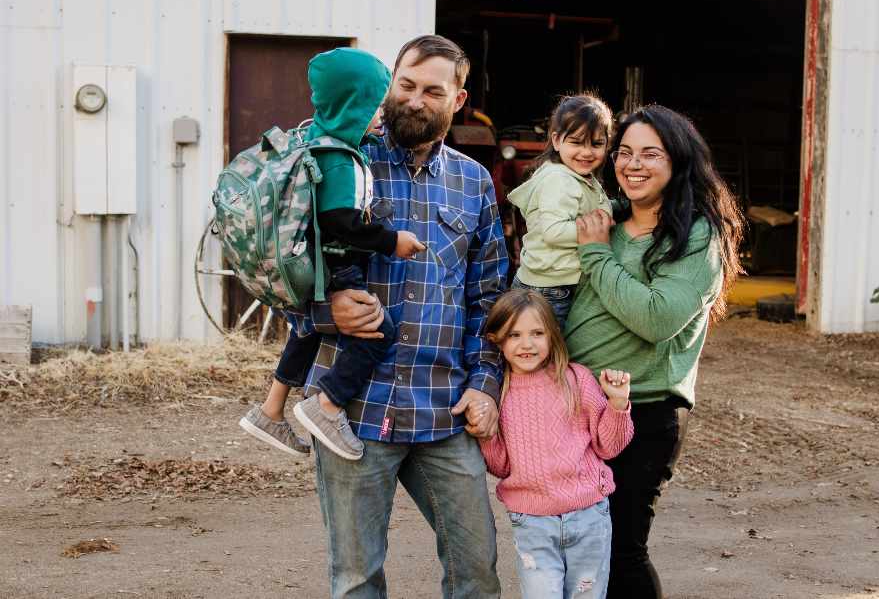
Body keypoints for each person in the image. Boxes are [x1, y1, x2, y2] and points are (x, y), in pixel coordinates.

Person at [289, 35, 509, 598]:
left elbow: (488, 300)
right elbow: (276, 264)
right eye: (405, 85)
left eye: (432, 91)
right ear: (391, 82)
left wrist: (485, 386)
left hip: (444, 409)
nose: (413, 100)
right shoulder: (341, 159)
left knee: (477, 572)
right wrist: (323, 308)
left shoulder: (474, 183)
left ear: (457, 100)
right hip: (355, 411)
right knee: (357, 579)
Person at [564, 105, 745, 599]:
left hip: (644, 410)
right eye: (624, 153)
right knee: (580, 548)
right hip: (581, 406)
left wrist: (596, 253)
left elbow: (658, 318)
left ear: (679, 161)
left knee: (621, 551)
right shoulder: (610, 220)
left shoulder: (696, 234)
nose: (632, 164)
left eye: (650, 153)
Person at [239, 47, 425, 460]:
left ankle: (270, 410)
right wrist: (391, 241)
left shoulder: (313, 140)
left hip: (314, 264)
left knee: (307, 330)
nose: (382, 115)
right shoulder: (340, 160)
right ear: (352, 106)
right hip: (339, 267)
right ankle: (326, 405)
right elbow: (341, 220)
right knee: (380, 331)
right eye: (375, 106)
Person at [479, 289, 634, 599]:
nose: (527, 344)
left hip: (589, 516)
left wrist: (617, 404)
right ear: (497, 340)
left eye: (537, 333)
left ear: (552, 335)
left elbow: (609, 447)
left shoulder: (576, 379)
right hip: (533, 522)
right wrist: (486, 434)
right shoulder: (499, 391)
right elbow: (501, 466)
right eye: (515, 335)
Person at [507, 93, 613, 330]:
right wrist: (595, 228)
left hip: (552, 281)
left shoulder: (582, 177)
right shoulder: (559, 179)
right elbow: (554, 232)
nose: (586, 152)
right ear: (556, 141)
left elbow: (599, 204)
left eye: (596, 144)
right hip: (550, 288)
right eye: (576, 142)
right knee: (548, 352)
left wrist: (610, 212)